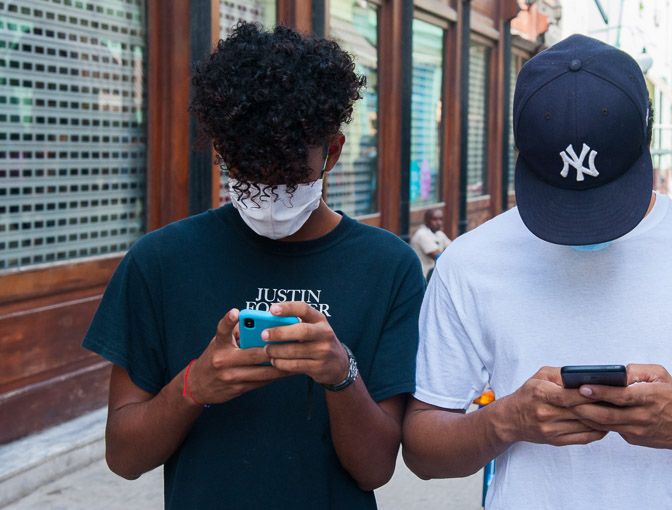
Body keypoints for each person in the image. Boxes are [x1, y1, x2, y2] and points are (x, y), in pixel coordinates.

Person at [403, 35, 672, 509]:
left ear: (647, 138)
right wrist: (505, 422)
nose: (584, 226)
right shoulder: (468, 263)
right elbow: (421, 453)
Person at [81, 23, 425, 509]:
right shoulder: (159, 263)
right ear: (221, 153)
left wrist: (339, 372)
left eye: (286, 174)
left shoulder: (387, 268)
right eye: (247, 173)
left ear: (333, 151)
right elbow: (125, 456)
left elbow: (375, 468)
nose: (267, 193)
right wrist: (194, 386)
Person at [410, 209, 452, 280]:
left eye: (441, 219)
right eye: (435, 219)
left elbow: (453, 248)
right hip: (423, 276)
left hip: (433, 274)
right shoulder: (422, 234)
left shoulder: (439, 233)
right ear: (427, 220)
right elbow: (438, 256)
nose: (439, 222)